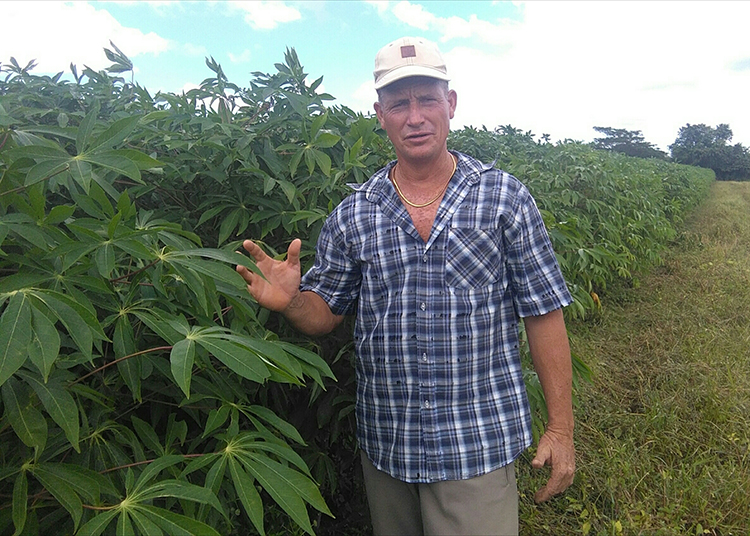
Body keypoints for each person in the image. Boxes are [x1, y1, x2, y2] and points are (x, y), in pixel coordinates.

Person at [237, 36, 575, 536]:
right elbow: (324, 313)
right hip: (388, 445)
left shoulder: (504, 198)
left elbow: (543, 312)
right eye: (399, 104)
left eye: (426, 100)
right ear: (381, 115)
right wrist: (291, 303)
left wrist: (561, 428)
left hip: (476, 443)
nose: (414, 117)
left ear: (451, 104)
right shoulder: (354, 213)